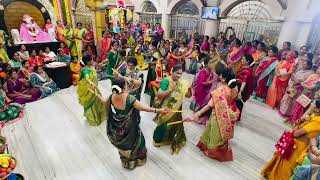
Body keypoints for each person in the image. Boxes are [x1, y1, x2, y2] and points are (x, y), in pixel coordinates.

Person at [105, 78, 168, 170]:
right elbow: (144, 108)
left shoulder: (112, 96)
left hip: (119, 126)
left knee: (125, 145)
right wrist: (159, 110)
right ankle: (137, 161)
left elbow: (104, 101)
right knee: (138, 142)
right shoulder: (129, 98)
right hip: (130, 126)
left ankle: (127, 163)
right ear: (124, 86)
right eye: (126, 84)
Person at [187, 68, 240, 161]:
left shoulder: (221, 90)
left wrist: (198, 113)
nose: (219, 76)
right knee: (220, 135)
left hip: (217, 115)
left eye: (220, 75)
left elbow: (209, 105)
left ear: (223, 79)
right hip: (227, 115)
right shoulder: (235, 87)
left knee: (214, 134)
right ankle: (220, 150)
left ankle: (213, 153)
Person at [261, 99, 320, 180]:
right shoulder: (314, 116)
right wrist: (300, 121)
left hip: (299, 146)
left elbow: (297, 133)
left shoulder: (317, 121)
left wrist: (298, 126)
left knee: (287, 165)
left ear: (317, 109)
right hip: (295, 142)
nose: (311, 104)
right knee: (283, 161)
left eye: (313, 103)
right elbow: (297, 125)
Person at [153, 64, 192, 154]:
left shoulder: (181, 82)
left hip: (177, 108)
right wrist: (170, 89)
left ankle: (169, 139)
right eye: (177, 73)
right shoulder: (166, 81)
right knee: (163, 124)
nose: (179, 75)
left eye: (180, 74)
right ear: (172, 71)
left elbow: (188, 95)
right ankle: (157, 141)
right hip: (166, 107)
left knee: (174, 125)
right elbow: (159, 94)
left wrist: (189, 89)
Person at [77, 55, 104, 126]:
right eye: (91, 60)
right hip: (88, 90)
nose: (93, 61)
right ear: (88, 62)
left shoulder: (91, 66)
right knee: (91, 104)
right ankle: (93, 118)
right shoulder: (85, 70)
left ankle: (98, 114)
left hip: (95, 88)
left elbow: (97, 67)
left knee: (98, 101)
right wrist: (91, 83)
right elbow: (87, 78)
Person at [190, 57, 218, 125]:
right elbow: (201, 83)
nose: (212, 64)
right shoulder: (203, 71)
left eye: (212, 63)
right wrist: (210, 82)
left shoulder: (211, 72)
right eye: (210, 63)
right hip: (201, 91)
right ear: (206, 64)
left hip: (207, 89)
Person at [236, 54, 254, 118]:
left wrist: (240, 92)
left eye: (243, 59)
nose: (242, 60)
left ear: (247, 61)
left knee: (238, 103)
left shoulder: (247, 71)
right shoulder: (245, 68)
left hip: (242, 89)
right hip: (239, 87)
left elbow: (244, 82)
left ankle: (236, 117)